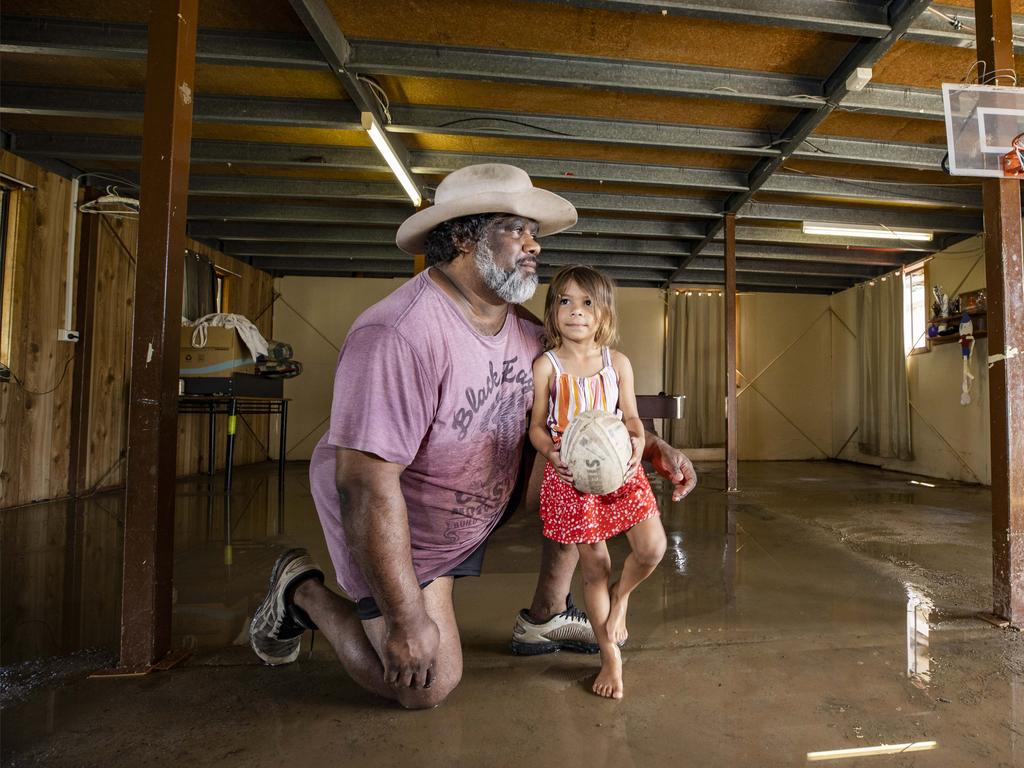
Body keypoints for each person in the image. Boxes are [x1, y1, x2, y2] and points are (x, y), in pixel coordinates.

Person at [248, 164, 697, 709]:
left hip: (482, 500)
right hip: (412, 533)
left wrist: (652, 446)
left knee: (578, 472)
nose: (534, 244)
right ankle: (301, 591)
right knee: (423, 685)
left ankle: (545, 617)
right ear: (463, 236)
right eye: (515, 228)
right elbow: (364, 485)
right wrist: (406, 619)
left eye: (533, 231)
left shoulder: (523, 326)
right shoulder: (398, 335)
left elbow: (589, 401)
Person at [529, 266, 666, 699]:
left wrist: (638, 439)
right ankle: (609, 655)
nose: (576, 312)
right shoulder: (546, 366)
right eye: (565, 301)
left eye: (587, 302)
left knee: (652, 549)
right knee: (596, 569)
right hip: (573, 477)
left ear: (603, 311)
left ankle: (621, 598)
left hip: (620, 469)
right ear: (553, 311)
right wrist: (551, 452)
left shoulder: (617, 363)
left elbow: (630, 416)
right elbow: (535, 427)